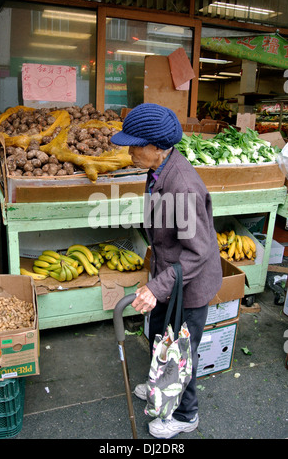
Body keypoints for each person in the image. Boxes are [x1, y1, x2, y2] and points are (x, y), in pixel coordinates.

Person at [111, 103, 222, 439]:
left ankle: (186, 415)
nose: (129, 151)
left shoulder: (183, 184)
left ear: (156, 147)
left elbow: (197, 252)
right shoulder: (157, 170)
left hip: (189, 281)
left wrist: (156, 288)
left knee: (181, 350)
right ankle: (160, 384)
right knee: (160, 331)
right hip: (168, 273)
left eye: (135, 145)